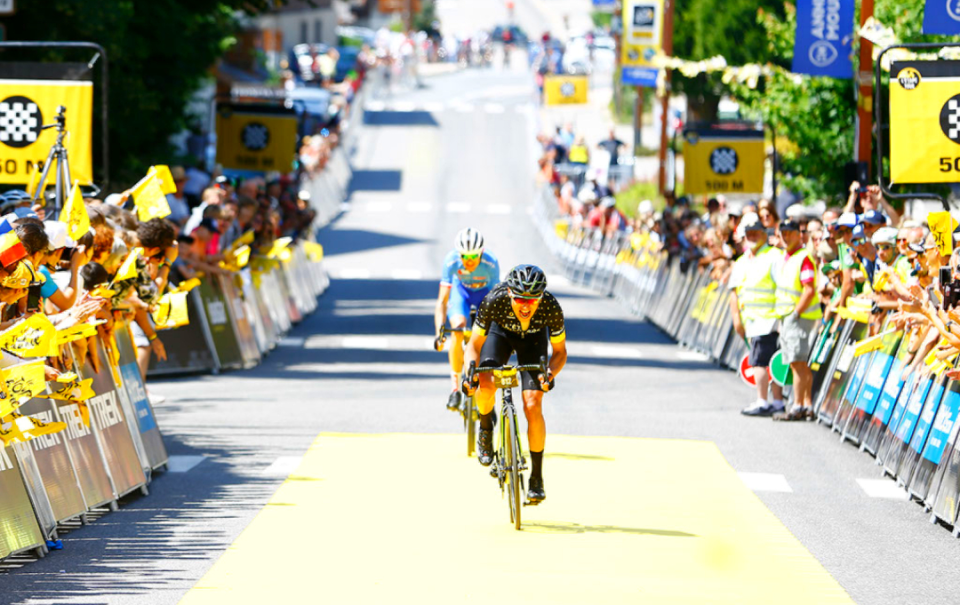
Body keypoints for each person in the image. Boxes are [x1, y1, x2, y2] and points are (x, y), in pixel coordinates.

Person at [462, 265, 566, 503]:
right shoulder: (494, 301)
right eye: (520, 299)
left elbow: (560, 352)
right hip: (500, 334)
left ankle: (537, 477)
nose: (526, 305)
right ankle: (486, 428)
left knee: (532, 403)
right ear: (509, 293)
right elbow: (474, 346)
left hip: (533, 340)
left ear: (541, 297)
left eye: (533, 299)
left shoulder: (550, 307)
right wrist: (470, 373)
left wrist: (550, 374)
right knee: (486, 384)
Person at [433, 228, 500, 411]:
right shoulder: (451, 261)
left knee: (485, 334)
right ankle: (455, 389)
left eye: (473, 257)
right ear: (459, 255)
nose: (469, 262)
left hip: (484, 295)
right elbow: (442, 301)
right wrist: (439, 331)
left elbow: (496, 299)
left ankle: (485, 389)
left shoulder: (491, 263)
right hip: (461, 294)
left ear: (481, 253)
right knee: (458, 328)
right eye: (465, 257)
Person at [728, 213, 785, 416]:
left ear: (763, 233)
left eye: (756, 232)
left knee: (762, 362)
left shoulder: (774, 256)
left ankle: (764, 401)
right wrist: (736, 319)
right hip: (751, 320)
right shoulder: (742, 261)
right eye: (748, 233)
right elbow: (734, 292)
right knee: (769, 361)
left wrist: (781, 318)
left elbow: (783, 288)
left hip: (770, 319)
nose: (752, 236)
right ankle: (776, 401)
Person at [773, 219, 821, 421]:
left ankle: (798, 405)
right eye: (782, 232)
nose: (785, 236)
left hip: (799, 317)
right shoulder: (789, 256)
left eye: (789, 232)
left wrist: (795, 313)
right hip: (790, 316)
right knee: (799, 363)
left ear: (798, 235)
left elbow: (809, 289)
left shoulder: (803, 258)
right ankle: (805, 404)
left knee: (797, 363)